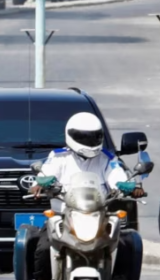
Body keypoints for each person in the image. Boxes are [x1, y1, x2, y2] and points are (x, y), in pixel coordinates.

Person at [31, 113, 144, 280]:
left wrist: (127, 186)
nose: (90, 142)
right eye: (83, 137)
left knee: (125, 245)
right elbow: (46, 173)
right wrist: (40, 183)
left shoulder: (106, 158)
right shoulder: (59, 157)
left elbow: (116, 176)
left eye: (94, 137)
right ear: (71, 136)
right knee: (43, 248)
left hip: (98, 216)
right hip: (63, 216)